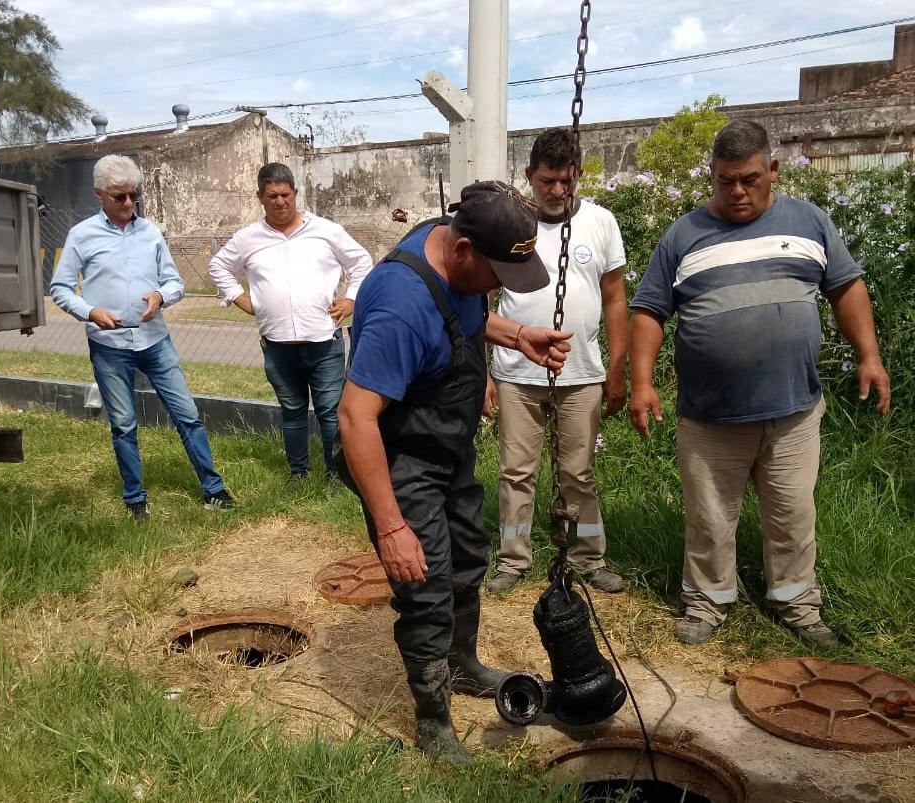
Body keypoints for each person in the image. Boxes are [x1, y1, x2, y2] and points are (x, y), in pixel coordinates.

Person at [628, 121, 890, 648]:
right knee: (708, 518)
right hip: (710, 417)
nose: (738, 191)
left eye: (749, 179)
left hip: (792, 411)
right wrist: (642, 382)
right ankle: (707, 603)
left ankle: (797, 604)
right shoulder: (683, 236)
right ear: (712, 177)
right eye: (726, 181)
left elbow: (846, 287)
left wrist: (870, 356)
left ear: (772, 170)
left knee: (793, 512)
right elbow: (649, 311)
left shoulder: (809, 221)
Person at [336, 181, 572, 764]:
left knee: (468, 554)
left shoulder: (450, 248)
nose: (498, 289)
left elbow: (458, 316)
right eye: (495, 275)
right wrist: (392, 528)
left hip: (449, 448)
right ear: (463, 250)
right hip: (401, 459)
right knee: (425, 585)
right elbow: (354, 417)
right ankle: (433, 721)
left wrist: (518, 335)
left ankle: (461, 665)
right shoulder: (398, 302)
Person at [484, 128, 628, 594]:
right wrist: (486, 371)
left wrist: (617, 369)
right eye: (547, 181)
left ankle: (589, 556)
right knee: (516, 473)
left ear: (579, 176)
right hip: (515, 374)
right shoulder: (509, 224)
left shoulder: (601, 222)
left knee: (578, 474)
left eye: (567, 181)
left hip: (581, 373)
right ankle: (512, 557)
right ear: (529, 176)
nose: (557, 191)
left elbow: (615, 300)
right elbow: (480, 301)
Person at [50, 155, 234, 521]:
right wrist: (90, 312)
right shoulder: (82, 235)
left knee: (188, 416)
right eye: (120, 197)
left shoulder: (149, 232)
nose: (129, 203)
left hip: (155, 340)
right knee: (123, 424)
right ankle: (135, 500)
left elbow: (174, 282)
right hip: (109, 347)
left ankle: (213, 489)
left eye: (135, 195)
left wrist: (160, 296)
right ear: (99, 194)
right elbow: (59, 287)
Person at [208, 162, 373, 479]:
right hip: (277, 345)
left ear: (295, 193)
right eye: (272, 196)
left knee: (329, 412)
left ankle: (336, 474)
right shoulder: (248, 238)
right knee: (293, 411)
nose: (280, 202)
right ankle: (299, 473)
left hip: (324, 341)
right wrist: (240, 299)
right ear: (260, 197)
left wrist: (352, 298)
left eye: (285, 194)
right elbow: (219, 267)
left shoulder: (325, 231)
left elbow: (361, 261)